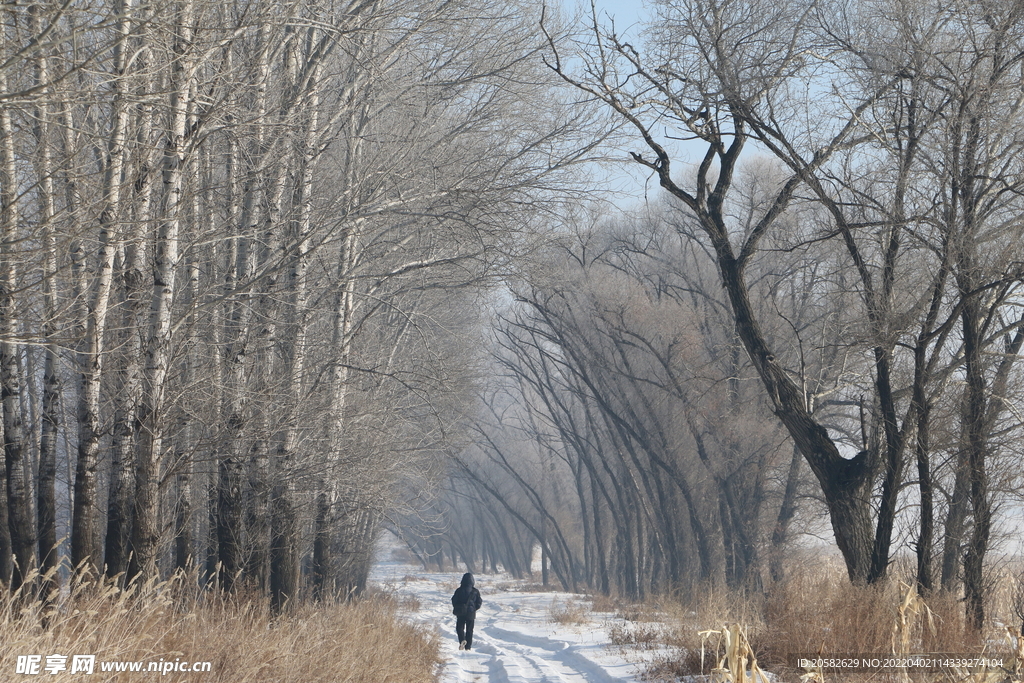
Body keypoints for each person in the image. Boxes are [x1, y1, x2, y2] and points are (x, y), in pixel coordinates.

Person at [450, 572, 482, 650]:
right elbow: (479, 602)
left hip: (461, 612)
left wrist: (458, 607)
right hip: (471, 613)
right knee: (469, 630)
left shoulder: (459, 590)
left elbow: (454, 600)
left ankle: (462, 640)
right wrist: (474, 609)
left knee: (459, 628)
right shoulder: (475, 591)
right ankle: (468, 647)